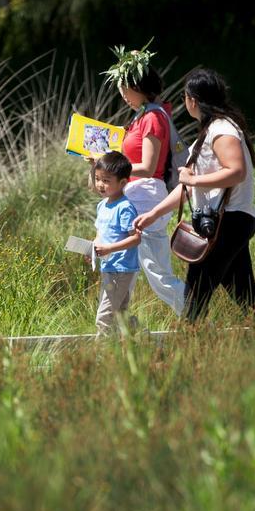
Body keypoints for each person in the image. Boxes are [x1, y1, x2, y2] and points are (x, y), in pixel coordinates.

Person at [133, 68, 255, 322]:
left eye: (185, 97)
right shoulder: (212, 130)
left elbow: (236, 171)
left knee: (196, 295)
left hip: (227, 222)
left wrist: (193, 178)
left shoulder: (221, 130)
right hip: (227, 222)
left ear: (192, 100)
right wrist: (154, 213)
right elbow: (187, 189)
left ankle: (190, 351)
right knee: (245, 294)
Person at [99, 42, 188, 315]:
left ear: (138, 86)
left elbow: (148, 167)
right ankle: (119, 323)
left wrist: (115, 169)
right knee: (132, 266)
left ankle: (194, 311)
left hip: (147, 197)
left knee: (156, 271)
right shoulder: (141, 117)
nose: (123, 95)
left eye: (125, 88)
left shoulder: (152, 117)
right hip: (138, 195)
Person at [91, 152, 143, 335]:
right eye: (97, 179)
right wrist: (92, 249)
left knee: (104, 317)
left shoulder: (125, 207)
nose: (100, 184)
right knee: (120, 314)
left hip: (122, 268)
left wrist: (110, 248)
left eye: (106, 180)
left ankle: (101, 359)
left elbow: (136, 238)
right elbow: (100, 234)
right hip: (108, 266)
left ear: (122, 183)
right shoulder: (102, 205)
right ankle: (139, 336)